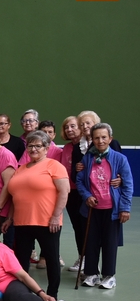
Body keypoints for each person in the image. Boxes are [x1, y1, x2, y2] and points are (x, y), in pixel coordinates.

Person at [4, 131, 69, 298]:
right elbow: (14, 196)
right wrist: (10, 218)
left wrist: (56, 216)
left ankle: (52, 295)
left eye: (37, 146)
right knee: (21, 261)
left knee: (51, 260)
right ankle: (22, 293)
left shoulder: (54, 166)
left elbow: (64, 192)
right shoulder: (21, 169)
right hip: (21, 222)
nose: (33, 149)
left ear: (46, 148)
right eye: (30, 145)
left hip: (47, 222)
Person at [77, 123, 132, 290]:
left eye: (103, 137)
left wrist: (125, 208)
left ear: (110, 139)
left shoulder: (120, 159)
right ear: (92, 140)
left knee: (109, 243)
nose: (100, 141)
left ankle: (109, 275)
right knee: (91, 242)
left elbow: (128, 184)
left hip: (112, 210)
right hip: (92, 209)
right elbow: (80, 181)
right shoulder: (87, 158)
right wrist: (87, 196)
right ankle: (91, 273)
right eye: (96, 138)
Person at [60, 116, 86, 272]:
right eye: (66, 127)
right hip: (70, 192)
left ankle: (90, 260)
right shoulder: (67, 148)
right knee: (77, 227)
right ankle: (82, 257)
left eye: (72, 126)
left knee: (85, 227)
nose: (69, 130)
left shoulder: (86, 146)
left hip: (84, 192)